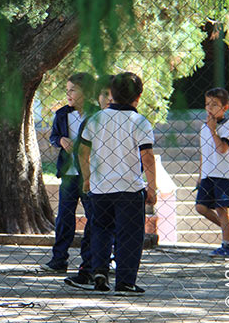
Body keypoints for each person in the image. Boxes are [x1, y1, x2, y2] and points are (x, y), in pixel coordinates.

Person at [78, 72, 157, 295]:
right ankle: (125, 281)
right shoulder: (139, 121)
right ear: (138, 97)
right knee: (129, 235)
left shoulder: (96, 119)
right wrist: (151, 187)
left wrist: (87, 177)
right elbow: (147, 156)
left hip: (100, 187)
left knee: (101, 229)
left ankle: (100, 271)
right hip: (129, 188)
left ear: (111, 94)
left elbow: (83, 151)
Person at [41, 73, 95, 273]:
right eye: (67, 90)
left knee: (94, 216)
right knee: (64, 216)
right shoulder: (62, 114)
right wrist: (61, 140)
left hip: (89, 174)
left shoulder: (97, 114)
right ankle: (59, 259)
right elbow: (54, 137)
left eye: (73, 90)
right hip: (68, 174)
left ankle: (90, 259)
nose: (68, 94)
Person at [64, 75, 113, 289]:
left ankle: (113, 272)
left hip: (121, 185)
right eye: (105, 94)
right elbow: (81, 152)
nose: (109, 99)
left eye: (114, 94)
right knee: (94, 227)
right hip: (95, 184)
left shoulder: (130, 120)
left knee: (114, 230)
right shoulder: (92, 120)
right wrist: (88, 178)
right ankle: (89, 270)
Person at [195, 87, 229, 257]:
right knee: (200, 207)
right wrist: (200, 175)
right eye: (207, 104)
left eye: (214, 105)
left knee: (222, 209)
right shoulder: (204, 127)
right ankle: (228, 228)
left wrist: (214, 130)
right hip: (207, 173)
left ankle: (226, 245)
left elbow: (222, 148)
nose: (210, 108)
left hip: (223, 174)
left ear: (225, 107)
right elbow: (203, 153)